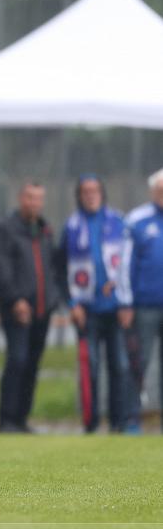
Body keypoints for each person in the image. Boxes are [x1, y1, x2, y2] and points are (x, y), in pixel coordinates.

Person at [56, 175, 130, 433]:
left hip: (116, 308)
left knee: (119, 366)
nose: (91, 195)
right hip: (86, 311)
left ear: (102, 193)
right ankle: (91, 422)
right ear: (79, 195)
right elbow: (60, 267)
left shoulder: (118, 221)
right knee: (91, 368)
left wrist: (125, 302)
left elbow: (127, 263)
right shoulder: (72, 226)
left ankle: (119, 422)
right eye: (85, 191)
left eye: (95, 191)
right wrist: (72, 303)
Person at [0, 181, 61, 433]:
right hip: (16, 310)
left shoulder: (44, 230)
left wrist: (53, 299)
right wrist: (15, 299)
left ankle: (21, 418)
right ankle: (6, 418)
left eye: (39, 198)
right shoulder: (4, 229)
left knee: (32, 363)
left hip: (42, 310)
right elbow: (0, 269)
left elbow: (53, 267)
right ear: (21, 198)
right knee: (17, 360)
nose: (34, 203)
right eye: (30, 197)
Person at [121, 169, 163, 433]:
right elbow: (125, 265)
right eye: (159, 189)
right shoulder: (137, 220)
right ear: (152, 191)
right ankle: (131, 417)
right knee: (139, 361)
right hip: (144, 305)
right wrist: (126, 302)